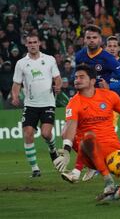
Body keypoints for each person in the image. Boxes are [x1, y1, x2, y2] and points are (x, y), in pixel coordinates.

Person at [53, 64, 120, 201]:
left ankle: (113, 197)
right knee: (89, 137)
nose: (77, 80)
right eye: (76, 77)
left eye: (81, 77)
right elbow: (70, 127)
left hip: (113, 148)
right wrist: (66, 150)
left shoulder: (109, 96)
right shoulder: (74, 102)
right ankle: (107, 180)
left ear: (93, 81)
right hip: (89, 153)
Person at [62, 24, 120, 183]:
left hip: (103, 103)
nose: (91, 40)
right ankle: (92, 164)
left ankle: (85, 170)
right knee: (68, 134)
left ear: (100, 40)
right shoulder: (80, 56)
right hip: (84, 100)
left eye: (94, 37)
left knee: (98, 137)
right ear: (84, 39)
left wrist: (110, 87)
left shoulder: (107, 58)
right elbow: (78, 75)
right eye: (88, 37)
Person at [11, 32, 62, 177]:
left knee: (46, 134)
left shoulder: (50, 59)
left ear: (39, 43)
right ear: (26, 45)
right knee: (28, 133)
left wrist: (58, 86)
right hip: (30, 104)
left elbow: (57, 78)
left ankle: (53, 150)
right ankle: (35, 169)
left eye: (35, 42)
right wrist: (15, 96)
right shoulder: (21, 63)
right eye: (30, 43)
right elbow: (16, 84)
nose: (33, 45)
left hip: (48, 103)